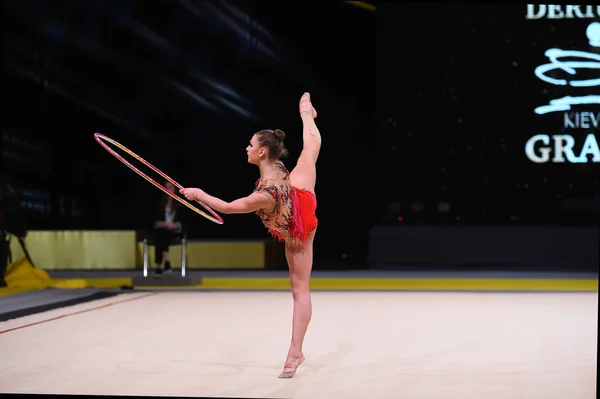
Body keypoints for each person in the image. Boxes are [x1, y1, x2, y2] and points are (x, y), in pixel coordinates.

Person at [180, 92, 321, 378]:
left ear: (261, 152)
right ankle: (307, 112)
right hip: (295, 193)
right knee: (311, 149)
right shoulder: (279, 170)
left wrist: (199, 194)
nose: (246, 148)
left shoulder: (264, 195)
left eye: (250, 144)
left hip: (298, 225)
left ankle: (295, 352)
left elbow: (229, 209)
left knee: (299, 291)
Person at [152, 180, 184, 276]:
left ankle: (159, 265)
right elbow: (154, 221)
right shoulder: (160, 203)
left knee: (161, 235)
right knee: (162, 233)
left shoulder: (180, 204)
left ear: (175, 189)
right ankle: (166, 261)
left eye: (170, 187)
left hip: (176, 231)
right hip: (163, 230)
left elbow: (185, 222)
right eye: (166, 187)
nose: (168, 189)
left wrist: (175, 225)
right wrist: (162, 224)